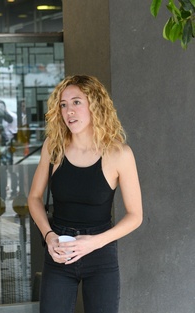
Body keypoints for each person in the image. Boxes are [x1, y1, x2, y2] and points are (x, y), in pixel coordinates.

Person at [27, 75, 143, 313]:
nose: (69, 111)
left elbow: (135, 215)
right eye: (63, 104)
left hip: (100, 253)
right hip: (59, 249)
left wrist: (95, 242)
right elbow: (34, 198)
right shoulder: (54, 146)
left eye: (77, 102)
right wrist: (49, 236)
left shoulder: (119, 153)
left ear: (95, 105)